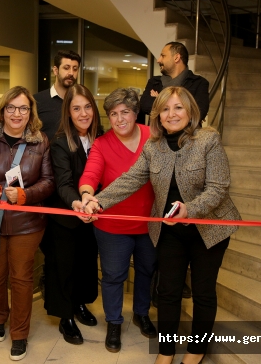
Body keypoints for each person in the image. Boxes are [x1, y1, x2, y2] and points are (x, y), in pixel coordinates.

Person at [83, 87, 240, 364]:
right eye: (165, 109)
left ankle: (195, 351)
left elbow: (219, 189)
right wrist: (99, 201)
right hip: (171, 232)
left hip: (209, 229)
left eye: (178, 107)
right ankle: (166, 352)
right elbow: (130, 180)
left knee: (203, 292)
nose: (171, 114)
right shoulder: (153, 146)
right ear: (158, 115)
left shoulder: (208, 140)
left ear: (190, 111)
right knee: (167, 292)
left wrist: (189, 209)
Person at [0, 86, 54, 361]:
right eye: (11, 107)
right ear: (3, 110)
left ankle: (20, 334)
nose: (17, 113)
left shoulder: (40, 141)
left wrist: (25, 195)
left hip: (27, 222)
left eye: (23, 108)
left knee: (22, 278)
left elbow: (49, 182)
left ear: (31, 112)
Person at [78, 88, 157, 353]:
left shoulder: (153, 136)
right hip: (112, 226)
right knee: (113, 276)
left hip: (149, 224)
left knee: (146, 271)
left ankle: (141, 313)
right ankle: (113, 321)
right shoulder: (102, 144)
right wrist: (87, 196)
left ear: (136, 114)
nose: (120, 119)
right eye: (113, 114)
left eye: (125, 112)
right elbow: (90, 174)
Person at [42, 84, 101, 345]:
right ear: (68, 112)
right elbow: (63, 183)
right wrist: (78, 204)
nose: (83, 113)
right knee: (62, 269)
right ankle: (65, 318)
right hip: (65, 216)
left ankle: (78, 305)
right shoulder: (60, 142)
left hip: (93, 216)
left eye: (87, 106)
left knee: (85, 265)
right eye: (76, 108)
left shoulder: (102, 138)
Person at [139, 42, 209, 125]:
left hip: (187, 137)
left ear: (176, 58)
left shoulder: (199, 83)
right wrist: (181, 106)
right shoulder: (154, 82)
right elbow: (145, 106)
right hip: (158, 136)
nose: (158, 60)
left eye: (163, 56)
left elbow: (198, 113)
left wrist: (159, 99)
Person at [33, 50, 81, 140]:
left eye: (75, 69)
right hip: (45, 153)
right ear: (55, 70)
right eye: (66, 68)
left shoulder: (82, 102)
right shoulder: (36, 100)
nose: (71, 73)